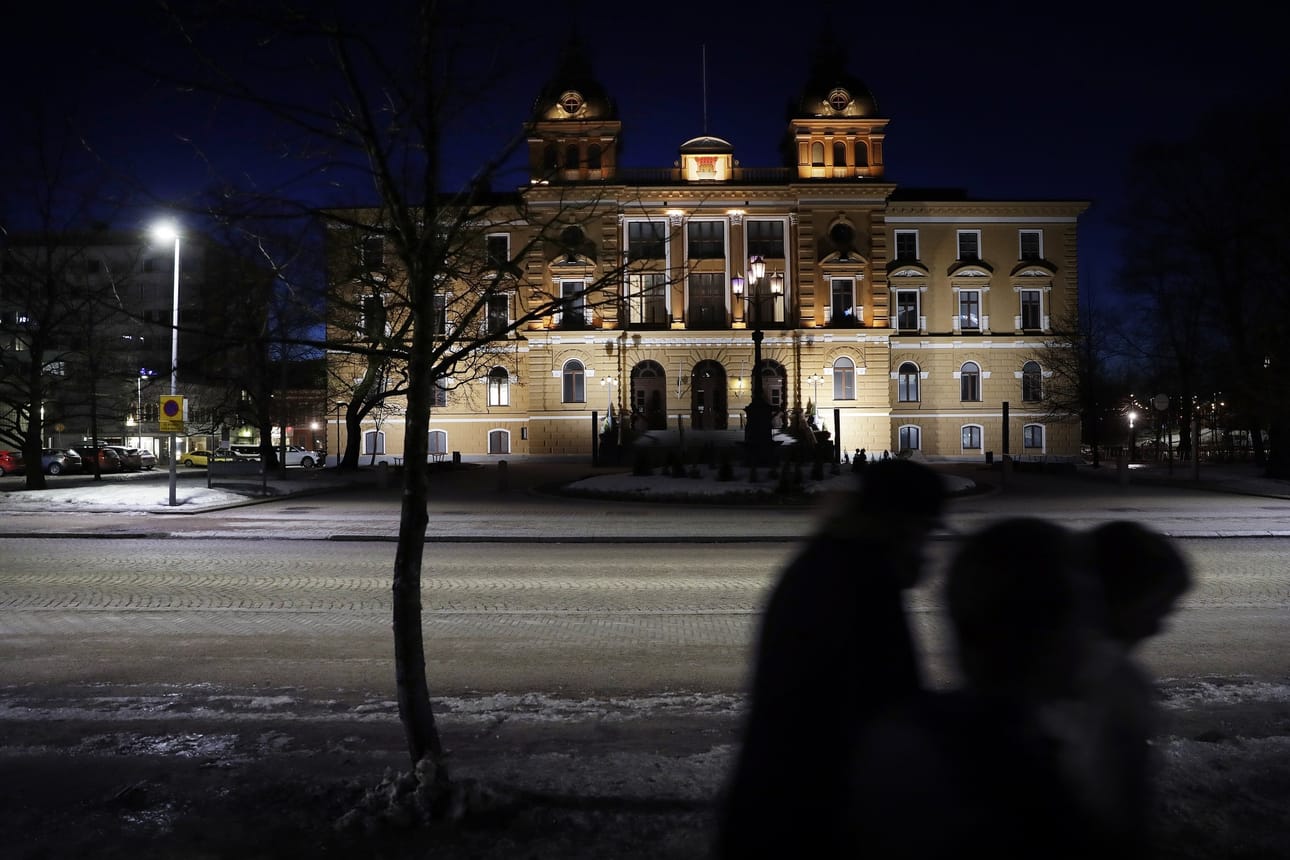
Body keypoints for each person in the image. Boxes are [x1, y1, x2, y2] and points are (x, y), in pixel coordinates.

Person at [713, 459, 946, 858]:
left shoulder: (837, 562)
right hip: (805, 822)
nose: (927, 546)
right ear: (900, 522)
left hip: (778, 811)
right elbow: (881, 704)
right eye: (925, 529)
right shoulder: (859, 581)